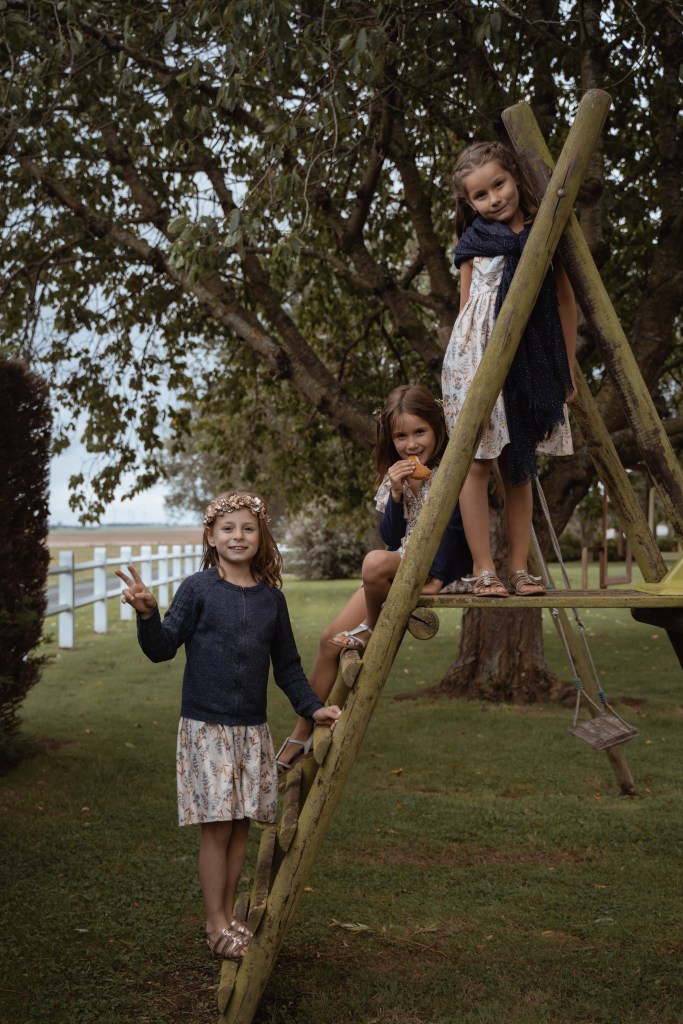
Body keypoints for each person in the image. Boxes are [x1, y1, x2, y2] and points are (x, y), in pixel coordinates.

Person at [115, 491, 340, 961]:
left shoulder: (272, 600)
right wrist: (148, 615)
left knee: (240, 826)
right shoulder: (198, 589)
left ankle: (230, 916)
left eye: (248, 528)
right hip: (207, 729)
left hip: (251, 731)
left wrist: (313, 707)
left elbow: (288, 667)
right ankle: (215, 924)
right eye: (228, 528)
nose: (238, 536)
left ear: (262, 537)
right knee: (217, 828)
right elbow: (161, 648)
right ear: (211, 537)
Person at [275, 384, 471, 773]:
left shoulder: (453, 472)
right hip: (403, 563)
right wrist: (397, 492)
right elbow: (392, 537)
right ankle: (301, 732)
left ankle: (370, 628)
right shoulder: (395, 475)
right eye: (401, 436)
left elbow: (456, 531)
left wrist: (436, 577)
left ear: (437, 428)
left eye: (419, 432)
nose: (411, 444)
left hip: (440, 567)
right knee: (328, 640)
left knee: (373, 564)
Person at [441, 140, 577, 598]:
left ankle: (519, 568)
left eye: (498, 184)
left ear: (515, 176)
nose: (494, 198)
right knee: (476, 463)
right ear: (469, 203)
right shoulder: (472, 244)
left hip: (529, 363)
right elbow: (465, 311)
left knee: (520, 466)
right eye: (480, 195)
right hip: (474, 363)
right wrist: (464, 377)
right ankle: (484, 568)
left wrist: (566, 369)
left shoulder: (545, 235)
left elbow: (565, 303)